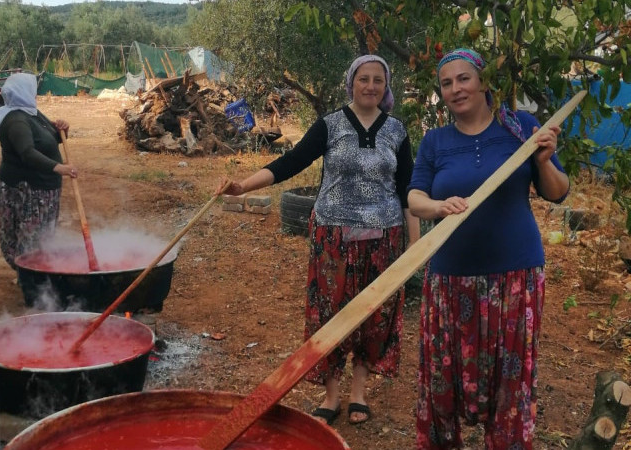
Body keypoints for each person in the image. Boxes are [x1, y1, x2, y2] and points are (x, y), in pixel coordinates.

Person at [216, 55, 420, 426]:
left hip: (384, 239)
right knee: (329, 313)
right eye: (364, 79)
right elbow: (290, 163)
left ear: (385, 86)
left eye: (378, 80)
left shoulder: (397, 131)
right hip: (334, 239)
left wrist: (414, 246)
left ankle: (358, 392)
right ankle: (332, 395)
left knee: (375, 316)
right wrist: (243, 186)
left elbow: (409, 190)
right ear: (351, 83)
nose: (371, 86)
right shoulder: (330, 125)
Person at [408, 48, 569, 449]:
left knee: (509, 385)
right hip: (449, 279)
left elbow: (558, 192)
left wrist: (546, 159)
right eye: (446, 83)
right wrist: (437, 207)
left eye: (463, 79)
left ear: (481, 81)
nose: (455, 89)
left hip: (515, 277)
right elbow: (414, 197)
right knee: (442, 383)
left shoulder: (520, 127)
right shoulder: (435, 141)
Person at [0, 72, 76, 278]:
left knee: (41, 238)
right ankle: (29, 280)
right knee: (29, 239)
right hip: (27, 189)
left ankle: (35, 276)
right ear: (24, 92)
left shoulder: (31, 113)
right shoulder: (16, 121)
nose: (36, 94)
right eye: (33, 90)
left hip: (43, 188)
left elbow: (48, 140)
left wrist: (62, 130)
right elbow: (28, 153)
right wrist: (60, 168)